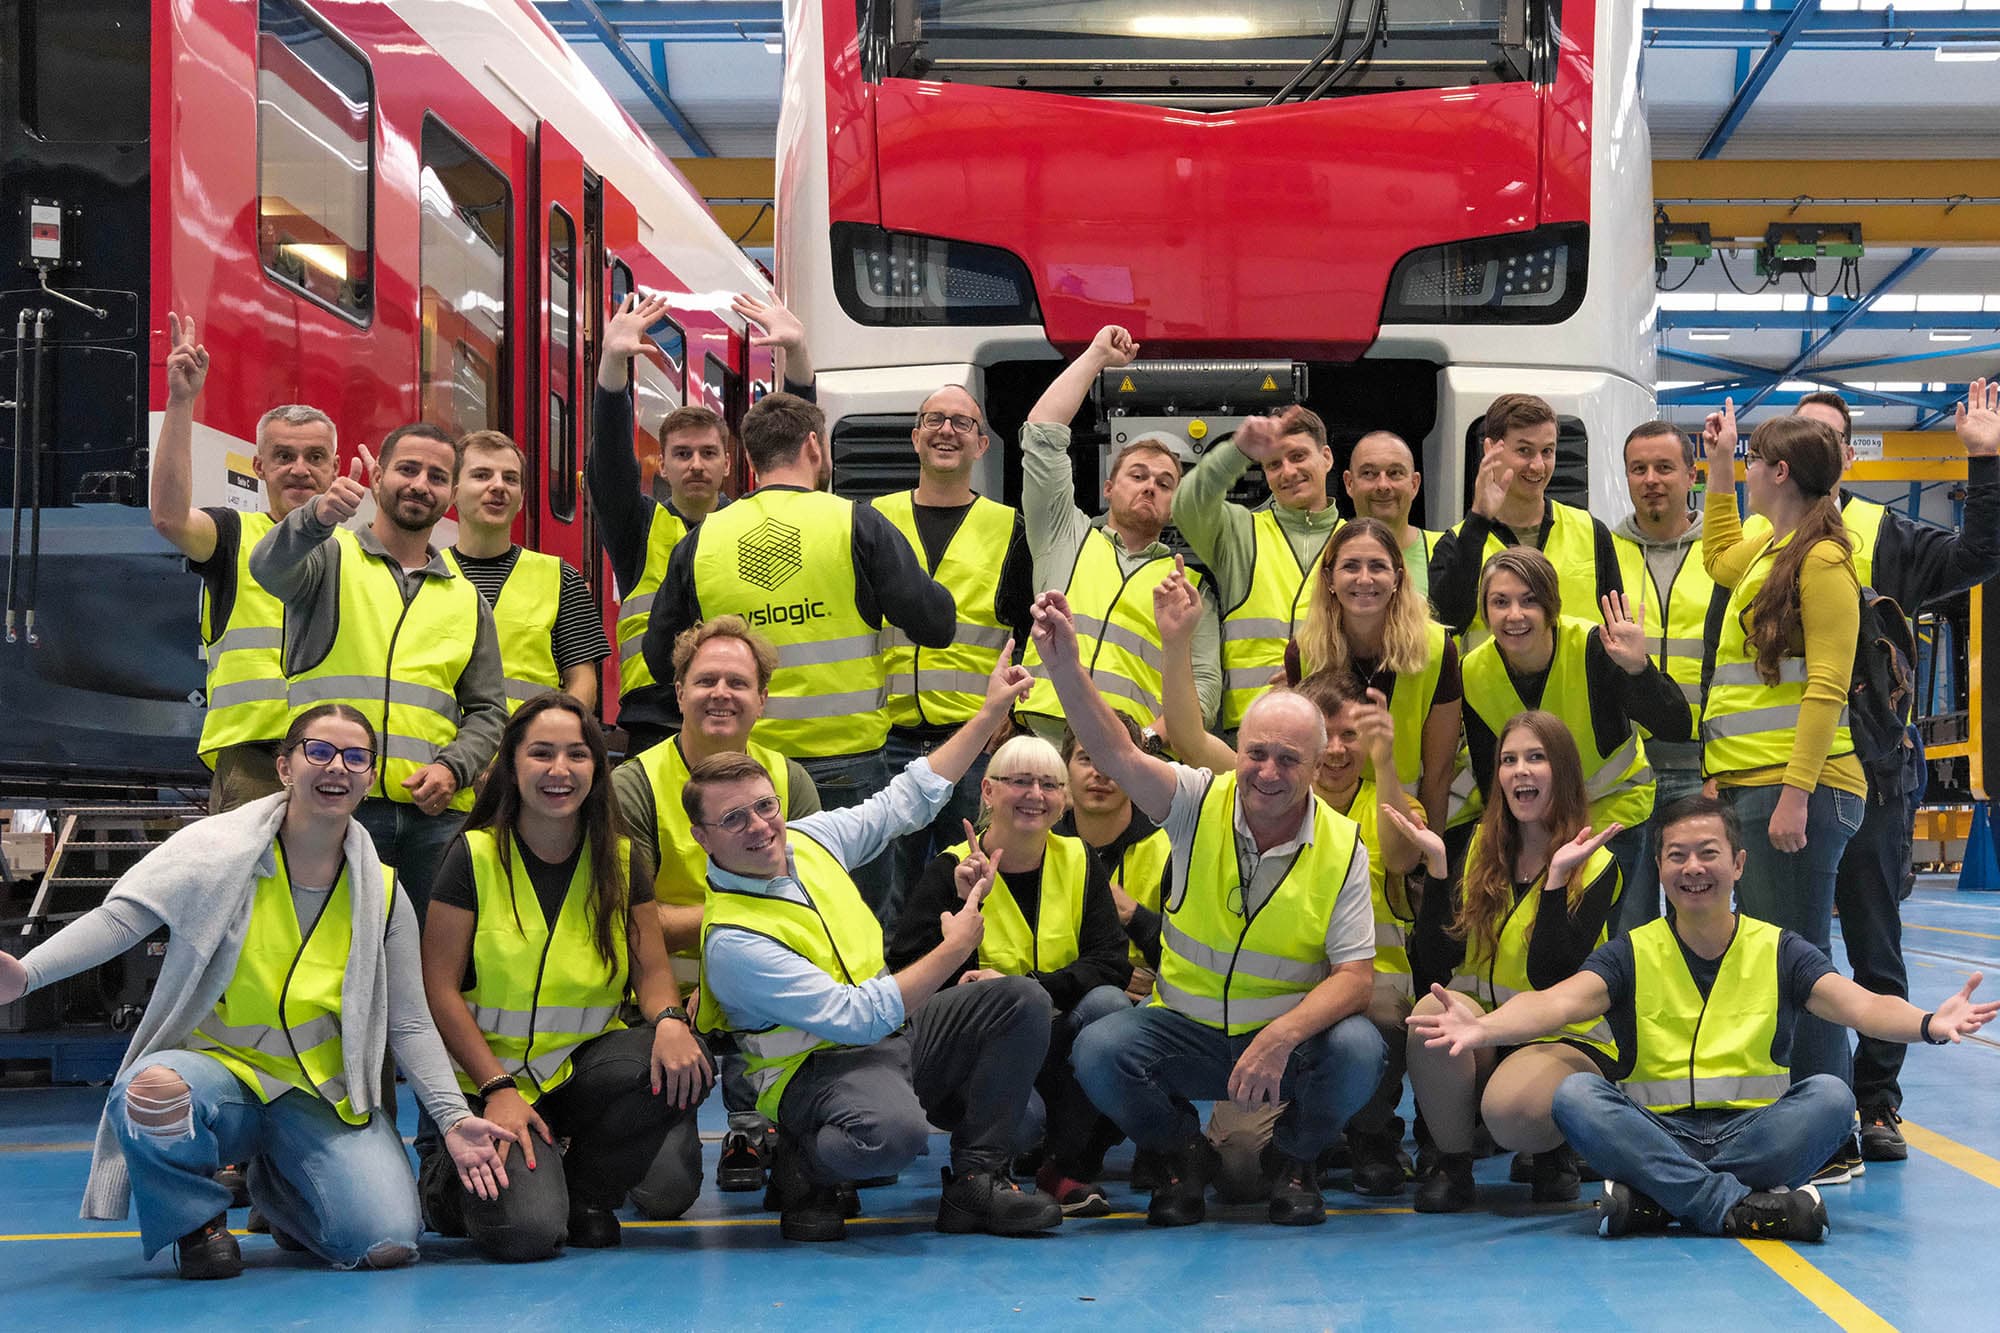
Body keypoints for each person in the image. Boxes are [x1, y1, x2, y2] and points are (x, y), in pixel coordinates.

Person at [0, 706, 514, 1278]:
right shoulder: (213, 852)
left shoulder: (385, 893)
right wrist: (26, 975)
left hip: (320, 1095)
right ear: (286, 767)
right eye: (318, 751)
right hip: (216, 1080)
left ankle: (280, 1186)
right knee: (151, 1097)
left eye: (355, 757)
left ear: (370, 779)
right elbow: (123, 919)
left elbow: (411, 1024)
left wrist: (449, 1118)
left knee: (385, 1242)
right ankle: (197, 1225)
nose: (335, 767)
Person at [1411, 794, 1999, 1241]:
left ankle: (1663, 1201)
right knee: (1577, 1097)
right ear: (1662, 870)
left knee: (1827, 1095)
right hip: (1657, 1131)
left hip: (1754, 1135)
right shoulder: (1632, 952)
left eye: (1708, 853)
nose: (1693, 867)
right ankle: (1742, 1209)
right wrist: (1484, 1028)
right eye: (1677, 855)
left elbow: (1862, 1006)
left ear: (1738, 864)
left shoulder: (1779, 949)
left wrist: (1927, 1022)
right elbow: (1557, 1002)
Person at [1038, 590, 1386, 1229]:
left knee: (1360, 1048)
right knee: (1098, 1049)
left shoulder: (1344, 847)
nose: (1267, 772)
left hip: (1282, 1042)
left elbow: (1356, 979)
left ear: (1316, 766)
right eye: (1256, 752)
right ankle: (1179, 1153)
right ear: (1239, 747)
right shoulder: (1196, 801)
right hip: (1185, 1033)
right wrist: (1063, 667)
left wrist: (1281, 1036)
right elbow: (1116, 753)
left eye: (1289, 759)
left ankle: (1296, 1160)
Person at [691, 651, 1066, 1242]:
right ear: (702, 837)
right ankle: (804, 1164)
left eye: (766, 807)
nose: (761, 827)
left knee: (1020, 1002)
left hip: (895, 1036)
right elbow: (855, 1017)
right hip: (816, 1068)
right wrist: (953, 949)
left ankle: (976, 1183)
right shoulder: (733, 941)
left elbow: (905, 801)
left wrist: (991, 709)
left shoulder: (808, 840)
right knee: (892, 1138)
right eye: (734, 819)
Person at [1752, 386, 2000, 1164]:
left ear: (1847, 455)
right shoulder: (1752, 543)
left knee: (1873, 944)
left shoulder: (1880, 534)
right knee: (1780, 944)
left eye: (1827, 438)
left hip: (1872, 778)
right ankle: (1784, 1093)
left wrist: (1984, 462)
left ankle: (1874, 1101)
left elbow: (1977, 555)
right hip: (1776, 776)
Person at [1157, 576, 1423, 1200]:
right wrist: (1177, 645)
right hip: (1263, 1002)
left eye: (1349, 737)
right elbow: (1191, 739)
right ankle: (1287, 1139)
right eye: (1323, 737)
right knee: (1242, 1171)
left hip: (1353, 994)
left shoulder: (1386, 801)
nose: (1334, 752)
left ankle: (1365, 1134)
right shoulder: (1259, 783)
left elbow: (1409, 858)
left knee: (1378, 1015)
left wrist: (1387, 765)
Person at [418, 694, 712, 1258]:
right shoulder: (473, 856)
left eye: (578, 755)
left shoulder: (623, 862)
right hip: (488, 1087)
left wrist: (673, 1021)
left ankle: (586, 1196)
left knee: (687, 1062)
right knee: (526, 1235)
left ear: (598, 770)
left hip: (578, 1075)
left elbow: (652, 973)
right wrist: (496, 1089)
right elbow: (438, 989)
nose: (560, 770)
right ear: (511, 765)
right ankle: (443, 1187)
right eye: (541, 754)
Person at [645, 390, 956, 919]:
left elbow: (659, 658)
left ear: (747, 457)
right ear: (814, 446)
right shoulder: (856, 524)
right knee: (849, 925)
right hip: (848, 765)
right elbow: (936, 624)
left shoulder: (703, 540)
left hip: (745, 767)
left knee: (759, 917)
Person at [250, 423, 507, 911]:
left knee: (428, 963)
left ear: (451, 494)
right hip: (335, 801)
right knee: (334, 949)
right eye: (407, 470)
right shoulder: (327, 557)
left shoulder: (467, 598)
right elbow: (267, 567)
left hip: (435, 814)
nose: (419, 484)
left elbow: (488, 710)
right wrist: (314, 517)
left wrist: (454, 768)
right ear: (377, 477)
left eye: (436, 476)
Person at [611, 617, 822, 1195]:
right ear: (678, 693)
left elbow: (811, 911)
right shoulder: (635, 784)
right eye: (705, 681)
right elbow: (632, 922)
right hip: (665, 1004)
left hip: (769, 991)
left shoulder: (791, 782)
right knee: (664, 1193)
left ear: (762, 699)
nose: (721, 694)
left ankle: (762, 1131)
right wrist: (728, 935)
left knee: (853, 1156)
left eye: (737, 682)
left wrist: (732, 968)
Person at [1699, 413, 1865, 1138]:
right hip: (1755, 785)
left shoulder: (1824, 562)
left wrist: (1795, 794)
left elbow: (1827, 683)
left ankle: (1833, 1127)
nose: (1748, 466)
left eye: (1752, 459)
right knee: (1782, 957)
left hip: (1796, 789)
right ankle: (1815, 1119)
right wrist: (1715, 468)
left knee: (1803, 964)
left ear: (1781, 474)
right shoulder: (1772, 545)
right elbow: (1714, 559)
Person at [887, 735, 1132, 1217]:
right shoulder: (950, 869)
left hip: (1056, 1038)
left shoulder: (1080, 860)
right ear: (987, 792)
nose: (1034, 795)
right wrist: (961, 932)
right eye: (1019, 782)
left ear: (1063, 799)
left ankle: (1065, 1168)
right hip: (982, 1055)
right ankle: (985, 1166)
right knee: (1024, 1125)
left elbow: (1111, 962)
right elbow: (904, 972)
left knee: (1109, 1008)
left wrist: (1030, 989)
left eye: (1048, 784)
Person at [1401, 710, 1624, 1213]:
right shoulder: (1483, 845)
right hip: (1491, 1029)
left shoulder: (1599, 862)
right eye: (1509, 760)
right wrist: (1438, 873)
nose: (1520, 770)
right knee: (1429, 1020)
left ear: (1562, 772)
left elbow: (1552, 974)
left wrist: (1553, 883)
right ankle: (1453, 1164)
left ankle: (1554, 1146)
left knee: (1510, 1112)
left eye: (1536, 758)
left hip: (1564, 1037)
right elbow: (1438, 961)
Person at [588, 291, 812, 755]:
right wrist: (612, 365)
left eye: (708, 453)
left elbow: (796, 453)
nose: (695, 465)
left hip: (742, 722)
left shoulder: (756, 522)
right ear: (662, 468)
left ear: (728, 464)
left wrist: (797, 356)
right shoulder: (639, 529)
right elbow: (609, 463)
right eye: (682, 454)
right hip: (654, 725)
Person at [147, 313, 337, 813]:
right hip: (254, 760)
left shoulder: (357, 551)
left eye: (316, 456)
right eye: (284, 456)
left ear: (335, 468)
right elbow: (168, 517)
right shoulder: (234, 535)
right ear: (259, 467)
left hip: (341, 757)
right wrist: (181, 401)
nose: (300, 469)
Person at [872, 382, 1034, 926]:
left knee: (966, 883)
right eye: (935, 420)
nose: (947, 430)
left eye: (962, 423)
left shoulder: (1012, 529)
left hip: (973, 741)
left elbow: (1027, 630)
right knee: (883, 891)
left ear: (982, 445)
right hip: (886, 739)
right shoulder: (871, 520)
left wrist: (1008, 711)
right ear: (915, 437)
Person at [1014, 325, 1222, 736]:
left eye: (1165, 484)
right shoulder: (1064, 536)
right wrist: (1095, 356)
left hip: (1127, 758)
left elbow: (1205, 692)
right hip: (1044, 742)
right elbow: (1041, 434)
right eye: (1138, 475)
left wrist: (1147, 743)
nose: (1150, 486)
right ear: (1108, 488)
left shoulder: (1190, 589)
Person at [1456, 549, 1687, 919]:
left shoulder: (1597, 646)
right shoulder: (1472, 672)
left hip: (1614, 815)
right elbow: (1490, 781)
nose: (1514, 615)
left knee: (1618, 940)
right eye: (1500, 602)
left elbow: (1676, 726)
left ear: (1551, 606)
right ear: (1485, 611)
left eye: (1529, 600)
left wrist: (1638, 670)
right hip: (1536, 829)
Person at [1169, 404, 1343, 734]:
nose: (1288, 472)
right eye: (1274, 464)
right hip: (1252, 735)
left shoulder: (1355, 541)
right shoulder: (1239, 532)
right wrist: (1238, 451)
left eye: (1299, 457)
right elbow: (1186, 505)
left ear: (1327, 458)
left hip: (1334, 733)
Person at [1286, 518, 1460, 830]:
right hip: (1325, 827)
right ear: (1329, 578)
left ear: (1397, 578)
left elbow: (1439, 771)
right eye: (1351, 566)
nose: (1364, 579)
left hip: (1404, 822)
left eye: (1377, 567)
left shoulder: (1436, 650)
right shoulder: (1303, 653)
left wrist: (1429, 859)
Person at [1610, 421, 1715, 930]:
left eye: (1664, 467)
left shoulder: (1723, 553)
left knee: (1698, 918)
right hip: (1627, 768)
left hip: (1704, 767)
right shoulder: (1603, 553)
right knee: (1628, 922)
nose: (1651, 479)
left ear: (1690, 475)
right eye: (1639, 469)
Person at [1428, 392, 1623, 645]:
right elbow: (1445, 624)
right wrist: (1479, 519)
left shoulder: (1592, 532)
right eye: (1524, 450)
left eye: (1547, 451)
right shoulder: (1457, 542)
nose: (1538, 466)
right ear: (1491, 450)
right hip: (1489, 684)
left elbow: (1617, 629)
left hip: (1575, 685)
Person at [446, 430, 610, 712]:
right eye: (482, 475)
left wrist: (554, 743)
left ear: (521, 498)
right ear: (453, 492)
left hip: (526, 753)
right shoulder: (423, 575)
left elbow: (583, 682)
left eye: (510, 478)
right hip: (440, 753)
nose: (498, 486)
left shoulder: (561, 578)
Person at [1056, 716, 1172, 996]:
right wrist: (1107, 974)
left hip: (1152, 1001)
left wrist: (1134, 916)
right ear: (1065, 770)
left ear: (1137, 771)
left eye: (1112, 760)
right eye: (1085, 759)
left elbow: (1195, 955)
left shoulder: (1170, 847)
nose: (1099, 772)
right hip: (1060, 994)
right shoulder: (1041, 845)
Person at [1344, 430, 1443, 599]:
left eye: (1395, 473)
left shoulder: (1444, 553)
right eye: (1369, 473)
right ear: (1349, 483)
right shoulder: (1329, 553)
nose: (1383, 485)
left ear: (1414, 484)